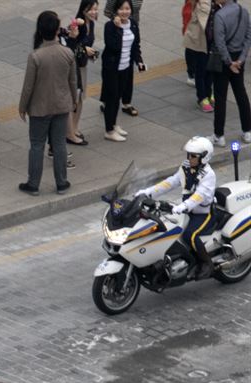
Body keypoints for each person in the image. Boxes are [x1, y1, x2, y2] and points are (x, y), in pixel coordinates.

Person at [136, 135, 216, 278]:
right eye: (189, 154)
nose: (189, 158)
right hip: (186, 211)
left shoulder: (209, 175)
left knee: (189, 235)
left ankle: (206, 263)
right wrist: (148, 192)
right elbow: (170, 182)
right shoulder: (186, 167)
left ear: (204, 157)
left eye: (193, 156)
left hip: (202, 213)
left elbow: (200, 196)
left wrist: (183, 206)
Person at [18, 11, 76, 197]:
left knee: (37, 145)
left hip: (40, 108)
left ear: (40, 32)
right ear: (58, 30)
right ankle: (61, 183)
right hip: (61, 106)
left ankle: (33, 184)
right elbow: (73, 82)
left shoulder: (36, 56)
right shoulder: (67, 53)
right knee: (59, 144)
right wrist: (73, 101)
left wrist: (22, 107)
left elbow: (28, 87)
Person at [101, 0, 146, 142]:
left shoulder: (133, 24)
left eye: (127, 9)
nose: (124, 11)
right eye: (121, 9)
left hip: (125, 67)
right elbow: (112, 46)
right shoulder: (110, 26)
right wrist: (118, 28)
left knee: (118, 97)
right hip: (112, 68)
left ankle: (113, 124)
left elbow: (135, 45)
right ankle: (109, 130)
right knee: (111, 98)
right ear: (116, 10)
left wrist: (139, 61)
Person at [210, 0, 251, 147]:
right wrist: (240, 59)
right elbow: (248, 37)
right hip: (239, 57)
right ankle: (247, 130)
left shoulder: (220, 15)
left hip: (223, 61)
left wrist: (229, 62)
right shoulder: (244, 11)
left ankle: (219, 135)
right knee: (241, 93)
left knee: (220, 97)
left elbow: (220, 42)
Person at [66, 2, 99, 145]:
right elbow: (70, 45)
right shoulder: (78, 24)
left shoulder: (90, 23)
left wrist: (89, 53)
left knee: (80, 99)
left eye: (96, 9)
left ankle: (74, 128)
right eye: (90, 9)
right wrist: (85, 50)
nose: (93, 12)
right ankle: (70, 133)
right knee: (75, 99)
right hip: (74, 68)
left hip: (82, 65)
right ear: (83, 9)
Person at [183, 1, 214, 113]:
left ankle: (208, 94)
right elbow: (204, 20)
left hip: (210, 41)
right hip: (200, 41)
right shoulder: (202, 3)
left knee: (210, 70)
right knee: (201, 71)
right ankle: (202, 98)